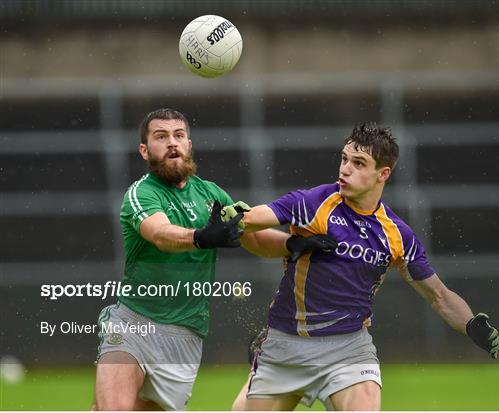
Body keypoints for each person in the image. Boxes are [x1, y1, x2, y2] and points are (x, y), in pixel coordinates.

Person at [223, 123, 499, 411]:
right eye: (344, 159)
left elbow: (438, 295)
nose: (345, 169)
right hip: (286, 344)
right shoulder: (314, 202)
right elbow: (252, 219)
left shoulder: (397, 234)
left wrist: (470, 325)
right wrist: (234, 216)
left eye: (358, 163)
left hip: (348, 347)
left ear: (383, 174)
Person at [93, 108, 335, 411]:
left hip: (185, 335)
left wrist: (296, 242)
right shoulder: (141, 194)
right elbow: (160, 233)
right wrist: (202, 237)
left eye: (179, 136)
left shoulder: (211, 194)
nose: (172, 143)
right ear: (145, 150)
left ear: (189, 145)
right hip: (134, 323)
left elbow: (254, 237)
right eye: (161, 137)